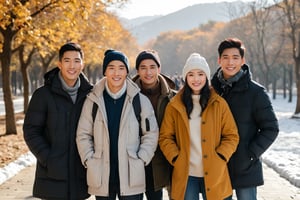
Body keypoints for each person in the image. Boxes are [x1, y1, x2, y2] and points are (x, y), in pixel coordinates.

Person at [76, 49, 159, 200]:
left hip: (131, 177)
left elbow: (151, 134)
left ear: (127, 72)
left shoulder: (139, 100)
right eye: (111, 68)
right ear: (105, 71)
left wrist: (141, 159)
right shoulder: (93, 100)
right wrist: (89, 159)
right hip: (102, 176)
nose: (116, 73)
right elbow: (83, 134)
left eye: (121, 68)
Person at [159, 52, 239, 200]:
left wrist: (221, 155)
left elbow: (231, 135)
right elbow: (165, 137)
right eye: (191, 74)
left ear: (206, 77)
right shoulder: (175, 105)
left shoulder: (219, 104)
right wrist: (176, 157)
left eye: (200, 74)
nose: (196, 79)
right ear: (185, 77)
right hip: (186, 174)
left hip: (215, 171)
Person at [211, 37, 279, 200]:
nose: (230, 62)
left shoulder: (256, 92)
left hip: (246, 167)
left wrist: (251, 153)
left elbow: (271, 128)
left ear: (243, 60)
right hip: (218, 165)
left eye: (235, 57)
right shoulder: (212, 91)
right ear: (219, 60)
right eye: (226, 57)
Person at [23, 42, 92, 199]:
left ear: (82, 64)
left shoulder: (91, 95)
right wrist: (48, 158)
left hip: (81, 176)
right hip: (51, 176)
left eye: (76, 60)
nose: (72, 66)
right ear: (59, 64)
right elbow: (31, 131)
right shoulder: (43, 95)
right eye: (67, 60)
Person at [132, 49, 176, 200]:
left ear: (159, 68)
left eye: (152, 67)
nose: (148, 72)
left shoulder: (173, 98)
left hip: (164, 161)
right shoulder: (127, 96)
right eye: (143, 67)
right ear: (137, 70)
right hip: (135, 161)